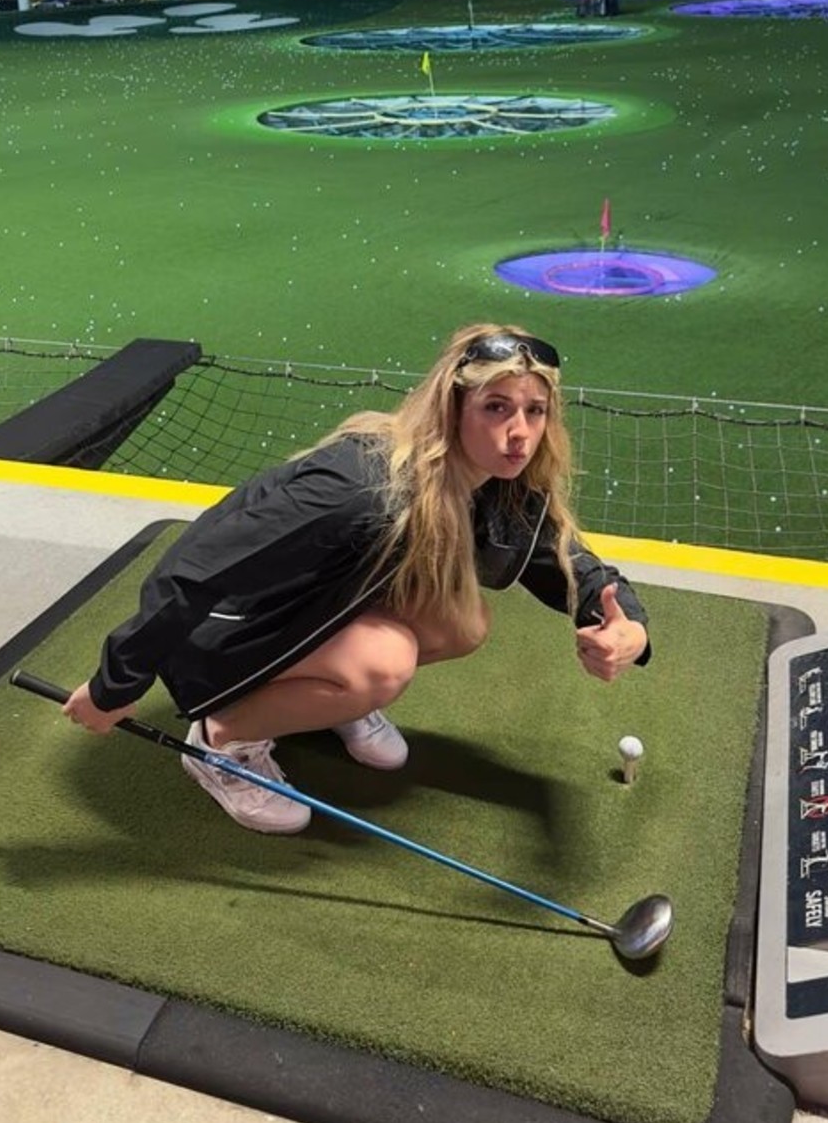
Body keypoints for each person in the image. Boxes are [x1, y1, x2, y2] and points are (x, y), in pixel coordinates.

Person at [62, 324, 651, 834]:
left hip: (314, 611)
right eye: (496, 407)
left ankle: (324, 704)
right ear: (452, 409)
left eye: (534, 411)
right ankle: (222, 741)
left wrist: (629, 629)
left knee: (464, 622)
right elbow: (193, 570)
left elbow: (568, 563)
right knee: (384, 663)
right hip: (225, 630)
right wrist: (116, 684)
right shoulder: (358, 489)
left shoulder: (498, 484)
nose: (519, 431)